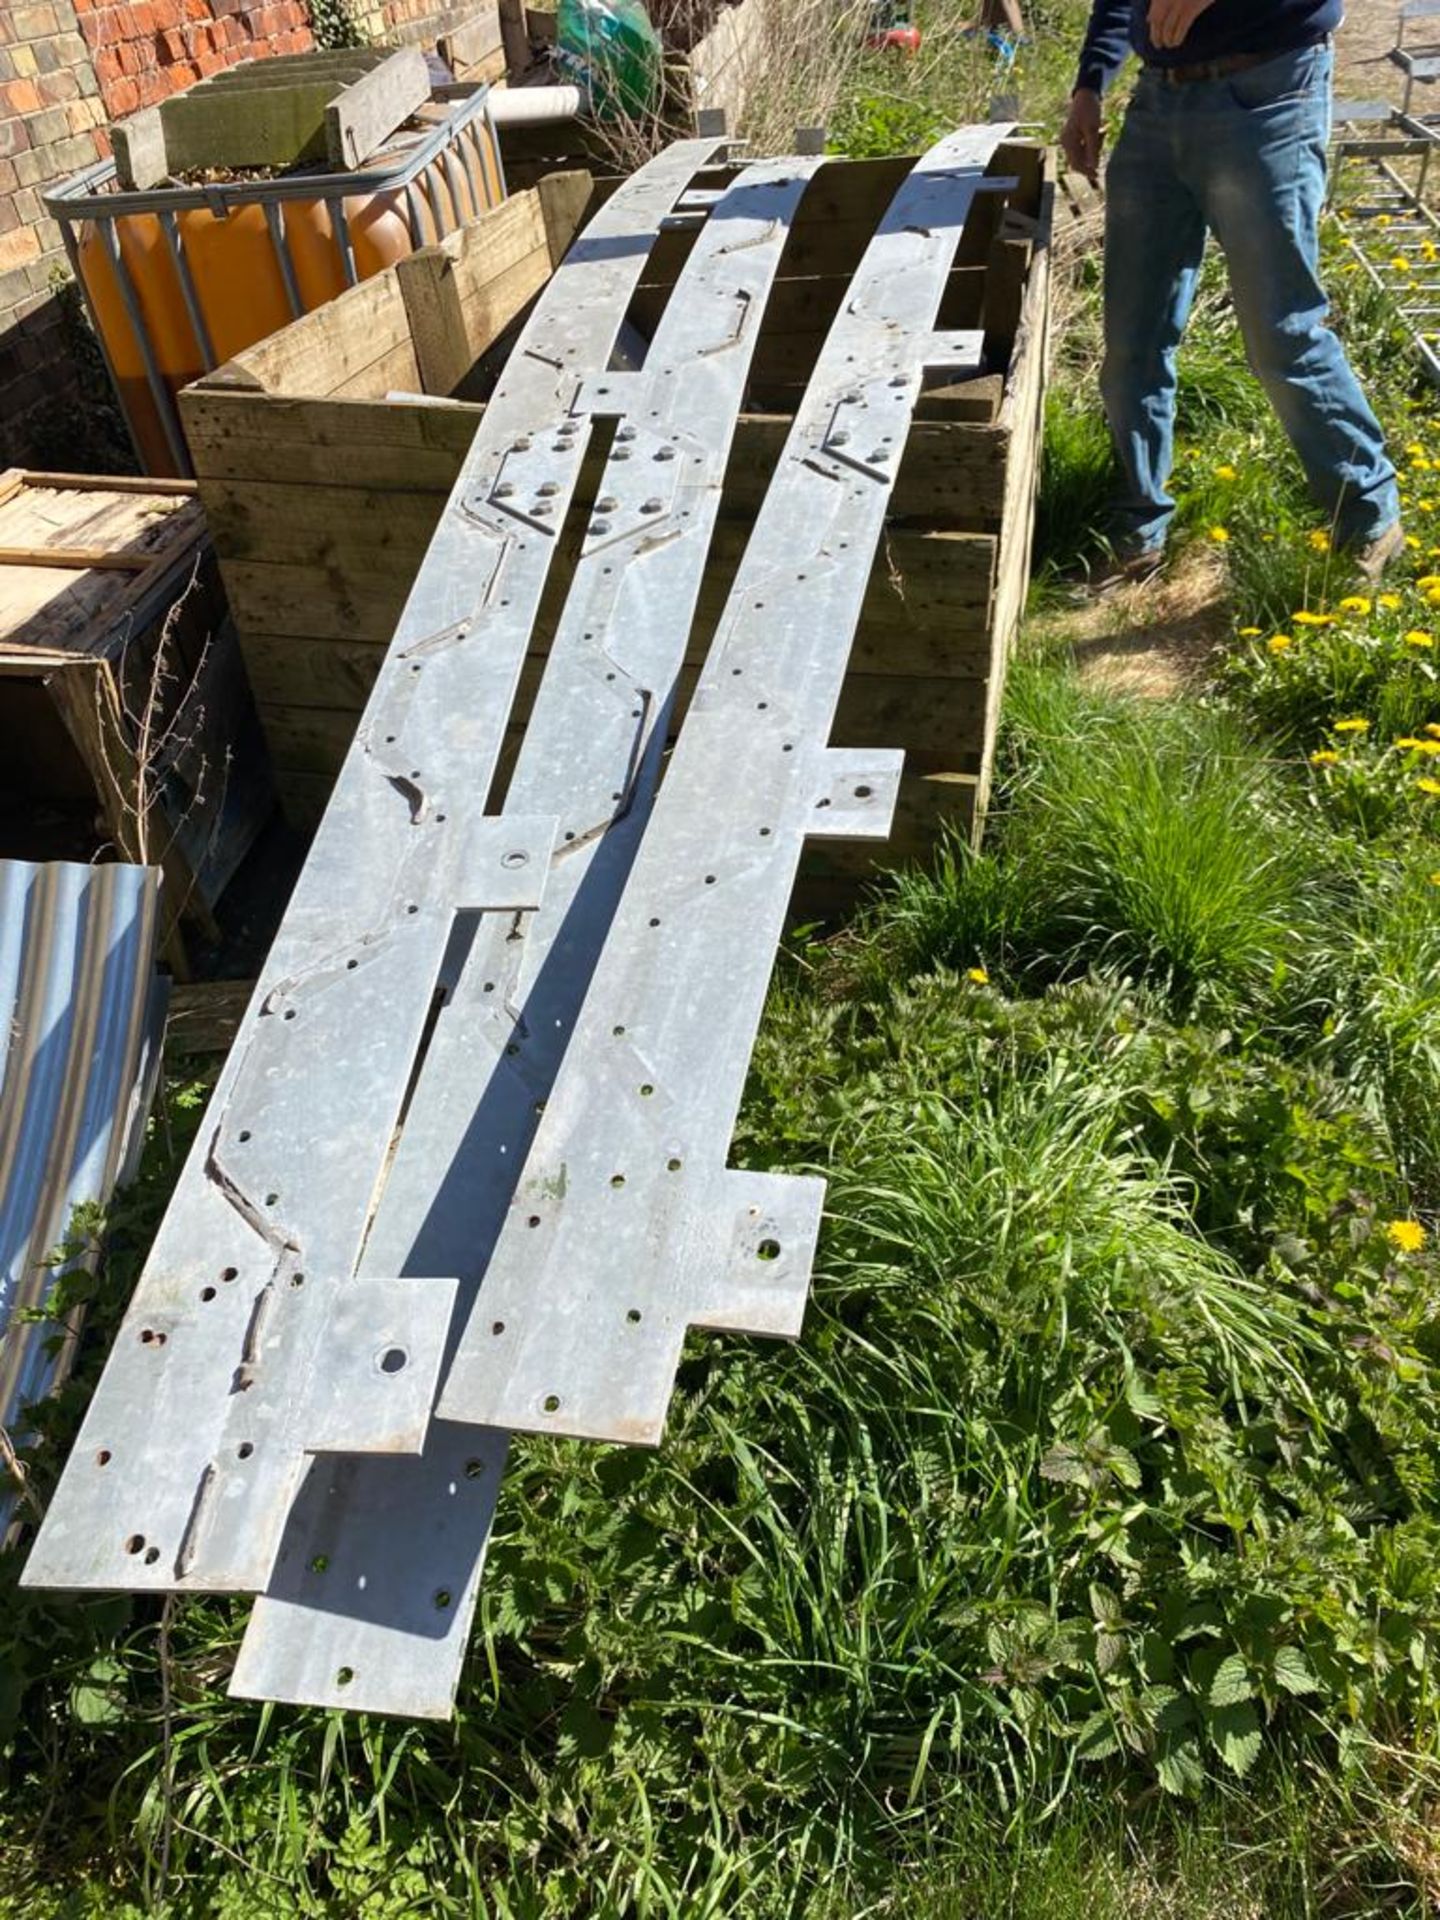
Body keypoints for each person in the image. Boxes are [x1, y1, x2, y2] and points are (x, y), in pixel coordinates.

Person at [1061, 0, 1403, 587]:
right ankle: (1138, 526)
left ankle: (1369, 514)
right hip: (1158, 101)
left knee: (1281, 332)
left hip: (1269, 91)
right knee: (1130, 339)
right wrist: (1090, 85)